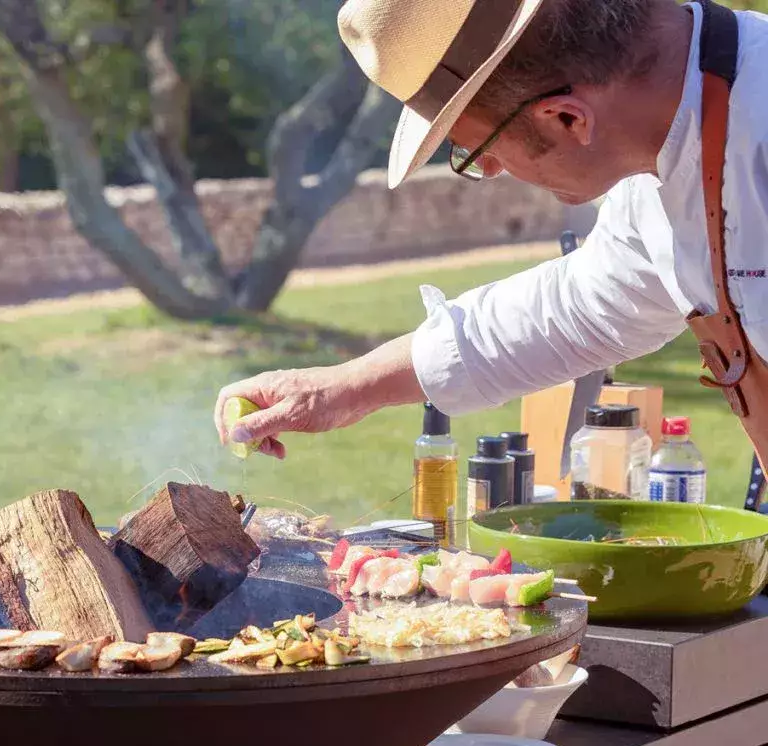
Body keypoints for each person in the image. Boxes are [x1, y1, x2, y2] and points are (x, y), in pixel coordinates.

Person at [214, 0, 768, 465]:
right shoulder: (661, 157)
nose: (492, 171)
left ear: (567, 118)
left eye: (474, 151)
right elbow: (581, 307)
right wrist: (344, 387)